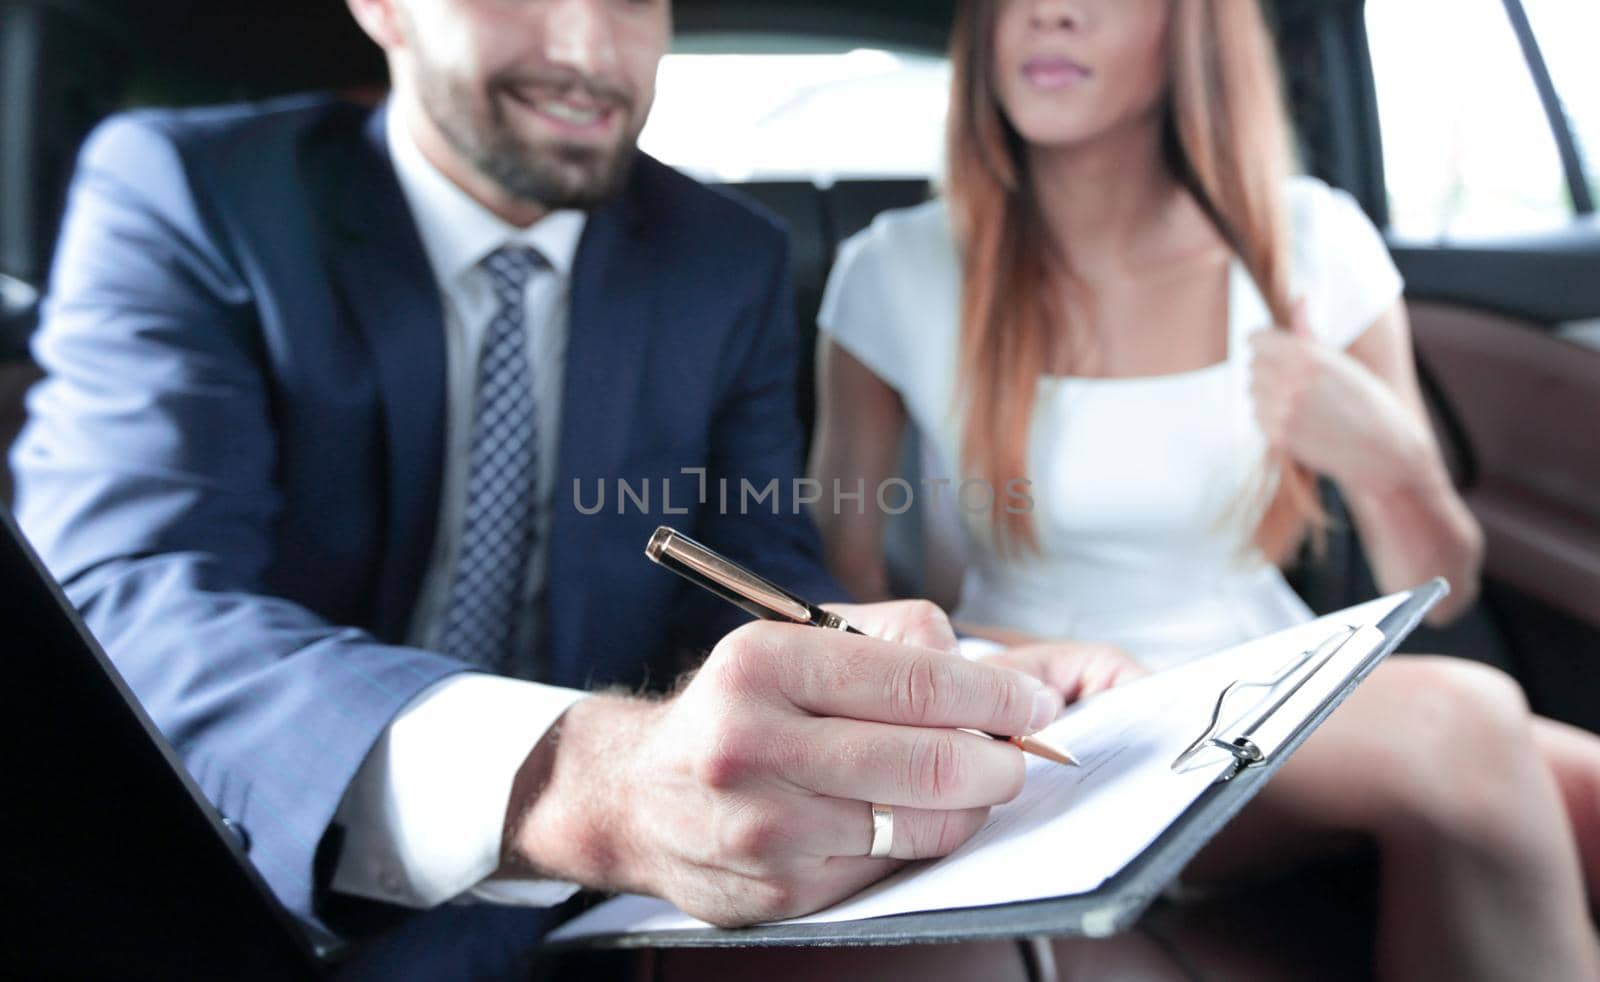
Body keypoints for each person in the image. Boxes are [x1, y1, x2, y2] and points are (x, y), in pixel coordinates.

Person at [10, 0, 1135, 976]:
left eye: (635, 1)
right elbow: (121, 601)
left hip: (615, 925)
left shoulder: (721, 257)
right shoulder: (190, 193)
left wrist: (947, 681)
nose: (591, 49)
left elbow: (757, 578)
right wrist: (571, 783)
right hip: (238, 871)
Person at [811, 0, 1600, 978]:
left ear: (1192, 30)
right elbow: (834, 601)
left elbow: (1446, 581)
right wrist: (985, 665)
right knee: (1472, 725)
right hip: (1054, 714)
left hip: (1289, 682)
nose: (1051, 15)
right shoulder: (894, 269)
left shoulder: (1311, 238)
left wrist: (1385, 457)